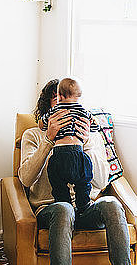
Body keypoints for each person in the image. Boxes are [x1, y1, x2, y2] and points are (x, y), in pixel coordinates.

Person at [18, 78, 137, 265]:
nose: (65, 108)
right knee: (64, 209)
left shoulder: (89, 135)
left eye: (70, 104)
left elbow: (101, 181)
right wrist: (48, 142)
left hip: (86, 208)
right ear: (49, 107)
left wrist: (87, 142)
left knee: (113, 205)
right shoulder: (33, 136)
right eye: (58, 101)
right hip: (51, 210)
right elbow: (26, 179)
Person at [39, 77, 100, 214]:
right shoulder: (83, 111)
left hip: (59, 154)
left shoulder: (56, 111)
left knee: (57, 182)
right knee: (84, 180)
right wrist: (48, 138)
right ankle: (83, 204)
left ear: (60, 96)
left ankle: (64, 203)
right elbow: (96, 125)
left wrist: (87, 139)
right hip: (78, 154)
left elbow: (41, 123)